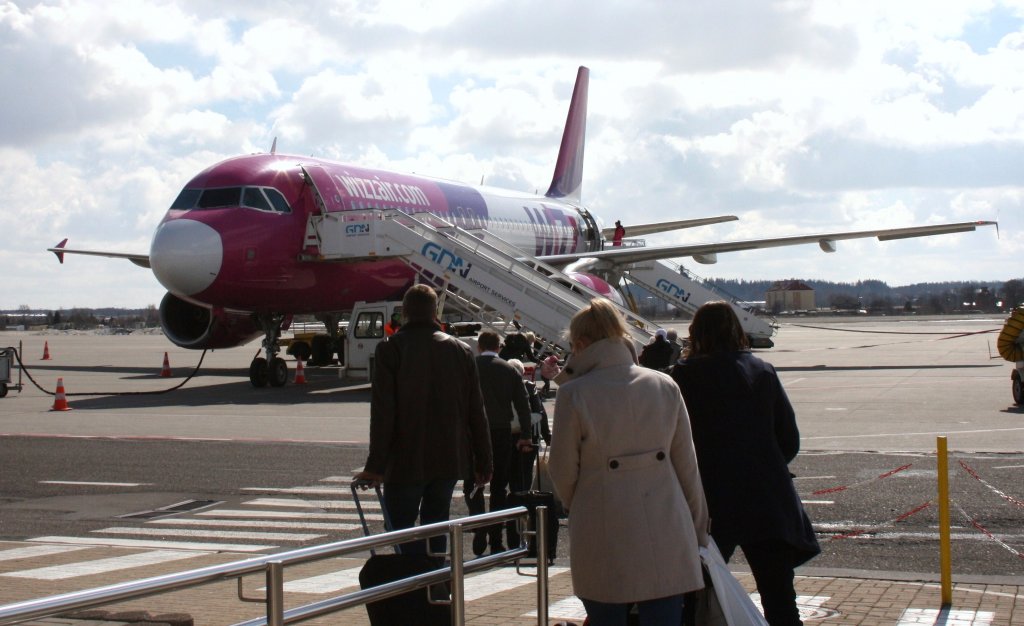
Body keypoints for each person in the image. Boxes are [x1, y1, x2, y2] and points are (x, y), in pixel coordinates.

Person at [548, 298, 709, 626]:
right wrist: (697, 530)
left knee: (606, 614)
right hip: (666, 522)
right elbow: (687, 467)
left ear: (581, 344)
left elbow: (562, 471)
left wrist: (579, 502)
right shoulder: (664, 384)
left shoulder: (574, 393)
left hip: (601, 521)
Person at [670, 301, 819, 626]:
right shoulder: (762, 371)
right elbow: (789, 440)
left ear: (696, 334)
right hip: (765, 496)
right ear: (737, 330)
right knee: (780, 599)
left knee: (695, 596)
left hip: (710, 499)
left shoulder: (683, 376)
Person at [353, 285, 492, 555]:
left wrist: (375, 466)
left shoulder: (390, 349)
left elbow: (383, 413)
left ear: (404, 313)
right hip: (449, 458)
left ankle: (412, 584)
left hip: (405, 459)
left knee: (401, 526)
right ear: (435, 312)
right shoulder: (461, 350)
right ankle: (435, 584)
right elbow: (477, 411)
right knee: (437, 523)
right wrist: (484, 461)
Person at [466, 331, 534, 556]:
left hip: (472, 432)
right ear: (499, 347)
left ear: (479, 347)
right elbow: (523, 405)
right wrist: (525, 434)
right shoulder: (509, 370)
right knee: (499, 485)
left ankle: (479, 525)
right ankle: (496, 538)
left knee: (473, 483)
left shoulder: (469, 367)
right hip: (501, 431)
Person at [505, 357, 552, 547]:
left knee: (510, 477)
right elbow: (541, 414)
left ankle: (512, 511)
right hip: (528, 439)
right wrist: (547, 436)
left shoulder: (503, 387)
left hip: (507, 438)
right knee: (524, 477)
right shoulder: (530, 388)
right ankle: (524, 511)